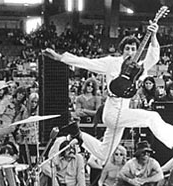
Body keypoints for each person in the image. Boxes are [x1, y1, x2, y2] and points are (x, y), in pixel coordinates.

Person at [44, 20, 173, 165]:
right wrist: (60, 57)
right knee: (152, 117)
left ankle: (77, 133)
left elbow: (154, 57)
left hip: (123, 113)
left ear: (137, 51)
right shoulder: (111, 62)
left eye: (133, 49)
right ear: (122, 50)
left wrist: (154, 34)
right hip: (112, 111)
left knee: (104, 154)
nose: (129, 52)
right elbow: (87, 62)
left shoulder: (139, 68)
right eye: (127, 48)